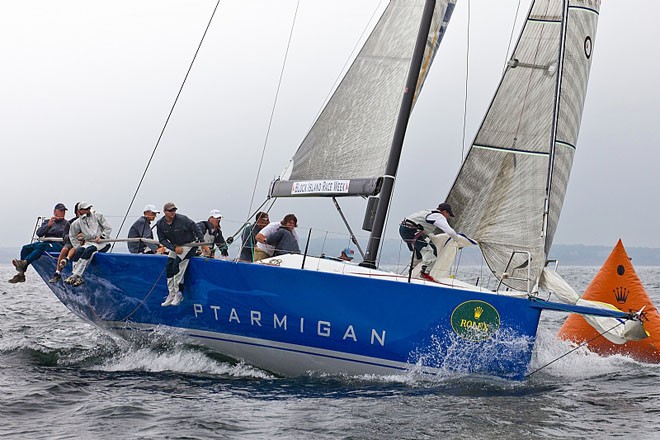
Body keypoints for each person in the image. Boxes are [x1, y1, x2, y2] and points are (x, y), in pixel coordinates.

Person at [157, 202, 209, 307]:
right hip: (176, 246)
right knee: (169, 267)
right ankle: (171, 293)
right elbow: (162, 239)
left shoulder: (183, 219)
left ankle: (178, 293)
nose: (173, 213)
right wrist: (173, 248)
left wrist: (203, 244)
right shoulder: (160, 223)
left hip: (189, 245)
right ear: (164, 212)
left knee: (177, 265)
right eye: (170, 211)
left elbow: (196, 228)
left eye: (174, 210)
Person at [399, 202, 460, 282]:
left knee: (419, 254)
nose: (448, 217)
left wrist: (432, 237)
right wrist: (457, 240)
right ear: (444, 212)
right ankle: (424, 274)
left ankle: (411, 273)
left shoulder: (428, 212)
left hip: (405, 229)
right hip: (411, 230)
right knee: (432, 251)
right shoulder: (439, 216)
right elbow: (450, 231)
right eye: (448, 215)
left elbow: (424, 227)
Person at [9, 203, 68, 283]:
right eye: (61, 211)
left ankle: (25, 262)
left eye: (64, 211)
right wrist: (48, 225)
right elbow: (39, 233)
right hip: (46, 242)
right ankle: (21, 273)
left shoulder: (67, 224)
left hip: (57, 244)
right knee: (26, 247)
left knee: (42, 246)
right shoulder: (48, 221)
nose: (63, 212)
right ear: (55, 211)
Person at [64, 201, 113, 287]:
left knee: (89, 251)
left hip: (102, 242)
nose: (88, 210)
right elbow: (72, 235)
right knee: (79, 251)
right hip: (89, 242)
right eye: (85, 209)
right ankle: (74, 275)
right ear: (80, 211)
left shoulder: (98, 216)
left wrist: (102, 237)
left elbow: (108, 227)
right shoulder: (77, 222)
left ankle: (78, 275)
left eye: (88, 208)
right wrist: (77, 246)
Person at [49, 202, 83, 283]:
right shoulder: (71, 222)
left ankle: (67, 260)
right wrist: (73, 236)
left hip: (82, 242)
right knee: (64, 249)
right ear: (77, 212)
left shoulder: (90, 221)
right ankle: (57, 272)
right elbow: (65, 235)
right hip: (72, 240)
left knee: (76, 247)